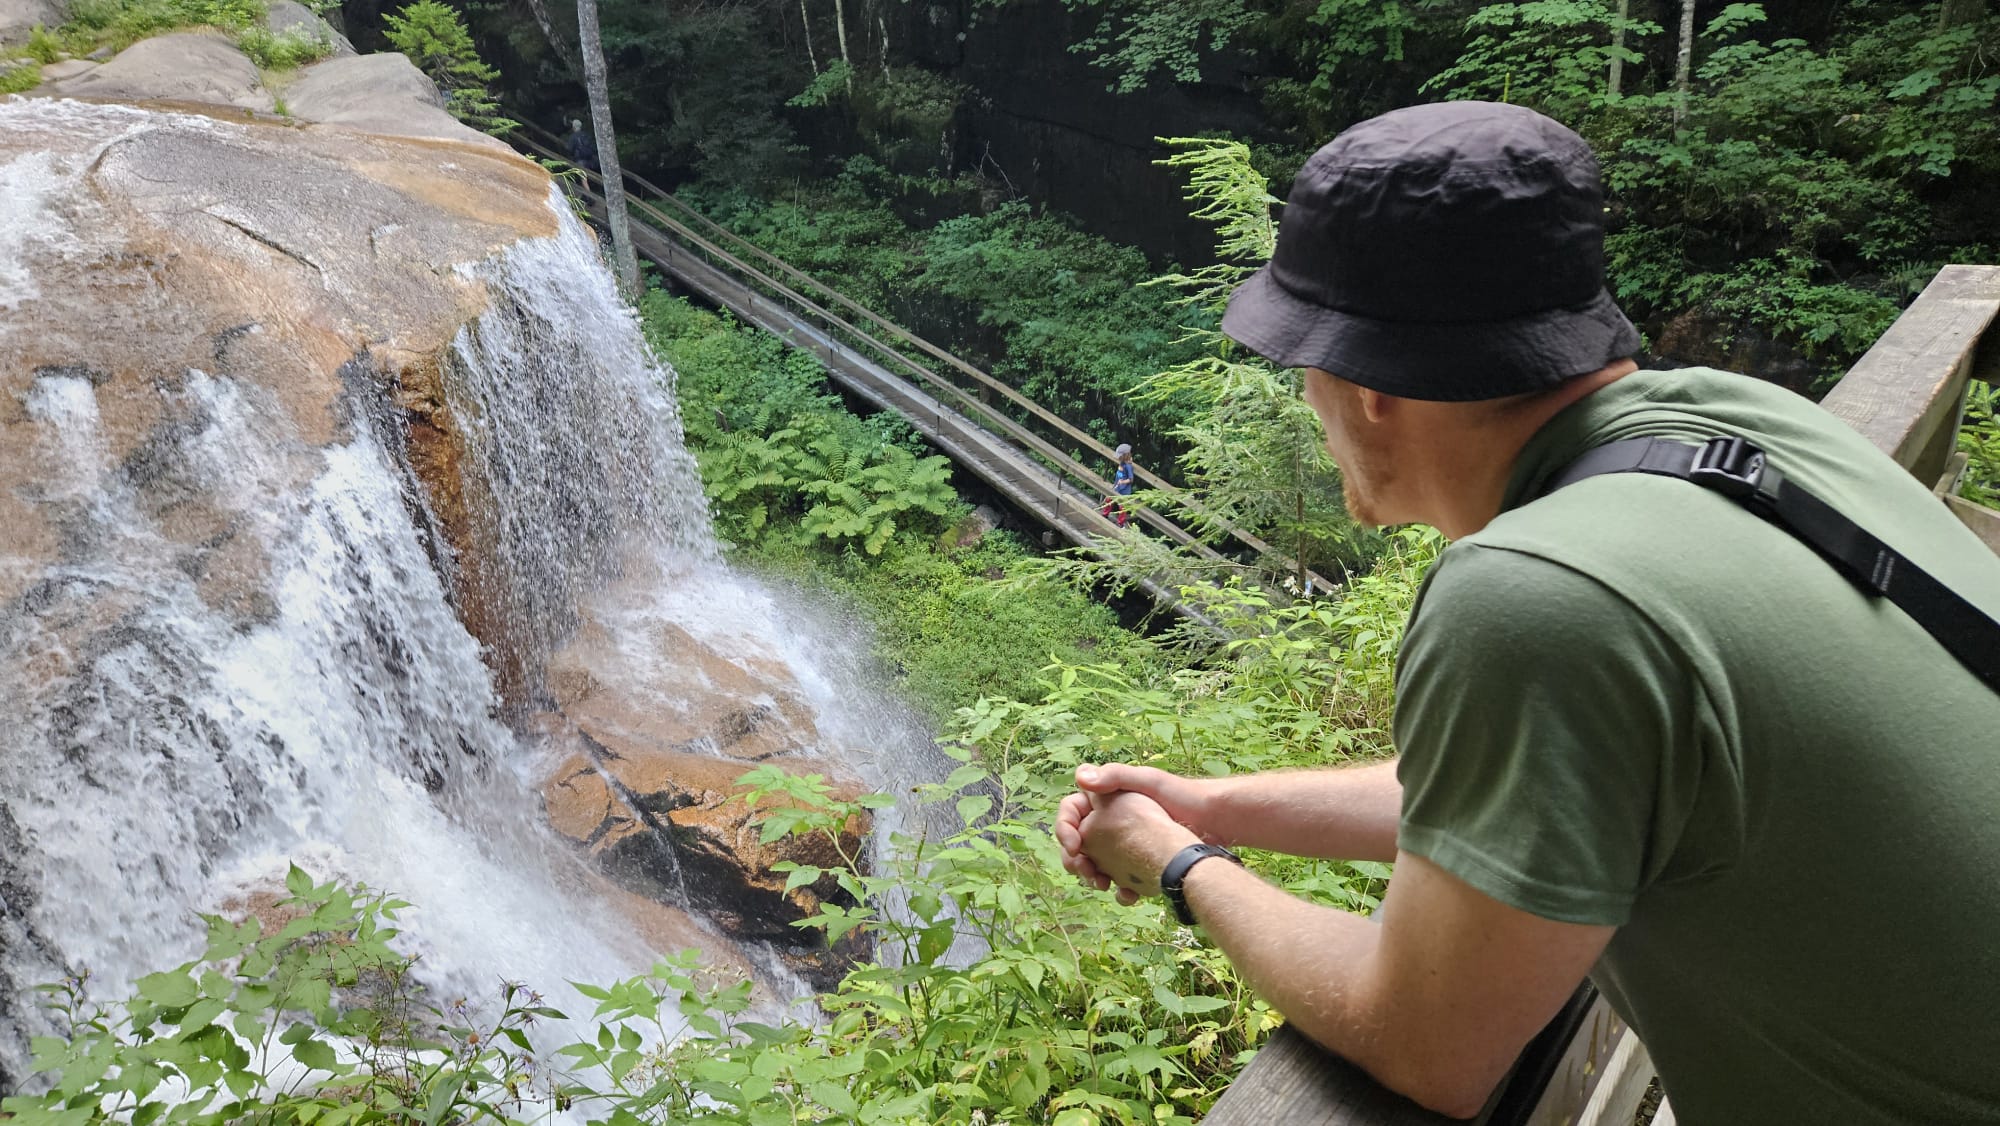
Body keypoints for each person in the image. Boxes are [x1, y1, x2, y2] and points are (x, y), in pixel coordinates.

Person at [1056, 100, 2000, 1124]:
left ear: (1362, 385)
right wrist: (1212, 803)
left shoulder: (1530, 596)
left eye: (1300, 372)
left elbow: (1422, 1041)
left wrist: (1174, 863)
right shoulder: (1743, 423)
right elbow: (1535, 798)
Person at [1101, 443, 1136, 528]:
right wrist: (1116, 483)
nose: (1118, 458)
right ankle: (1105, 514)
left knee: (1122, 507)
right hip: (1117, 487)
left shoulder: (1128, 466)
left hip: (1124, 490)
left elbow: (1131, 479)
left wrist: (1123, 482)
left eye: (1120, 456)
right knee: (1109, 499)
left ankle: (1121, 523)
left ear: (1125, 455)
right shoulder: (1122, 462)